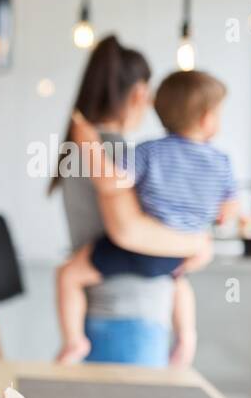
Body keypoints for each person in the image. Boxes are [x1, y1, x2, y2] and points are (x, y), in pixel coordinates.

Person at [48, 36, 212, 367]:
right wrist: (198, 243)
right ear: (139, 93)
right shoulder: (118, 155)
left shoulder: (78, 150)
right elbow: (131, 231)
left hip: (100, 312)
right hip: (134, 316)